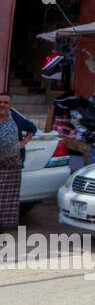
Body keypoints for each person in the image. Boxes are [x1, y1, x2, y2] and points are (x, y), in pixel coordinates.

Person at [0, 92, 36, 228]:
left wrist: (23, 143)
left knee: (8, 198)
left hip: (12, 164)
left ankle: (5, 224)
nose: (2, 105)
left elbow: (32, 129)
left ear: (10, 105)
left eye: (5, 102)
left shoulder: (16, 118)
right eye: (0, 102)